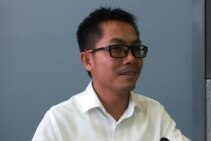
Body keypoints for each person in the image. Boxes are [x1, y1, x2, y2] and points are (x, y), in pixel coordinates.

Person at [32, 7, 190, 141]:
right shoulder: (59, 121)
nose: (131, 58)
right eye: (117, 49)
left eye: (136, 49)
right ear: (88, 60)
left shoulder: (154, 114)